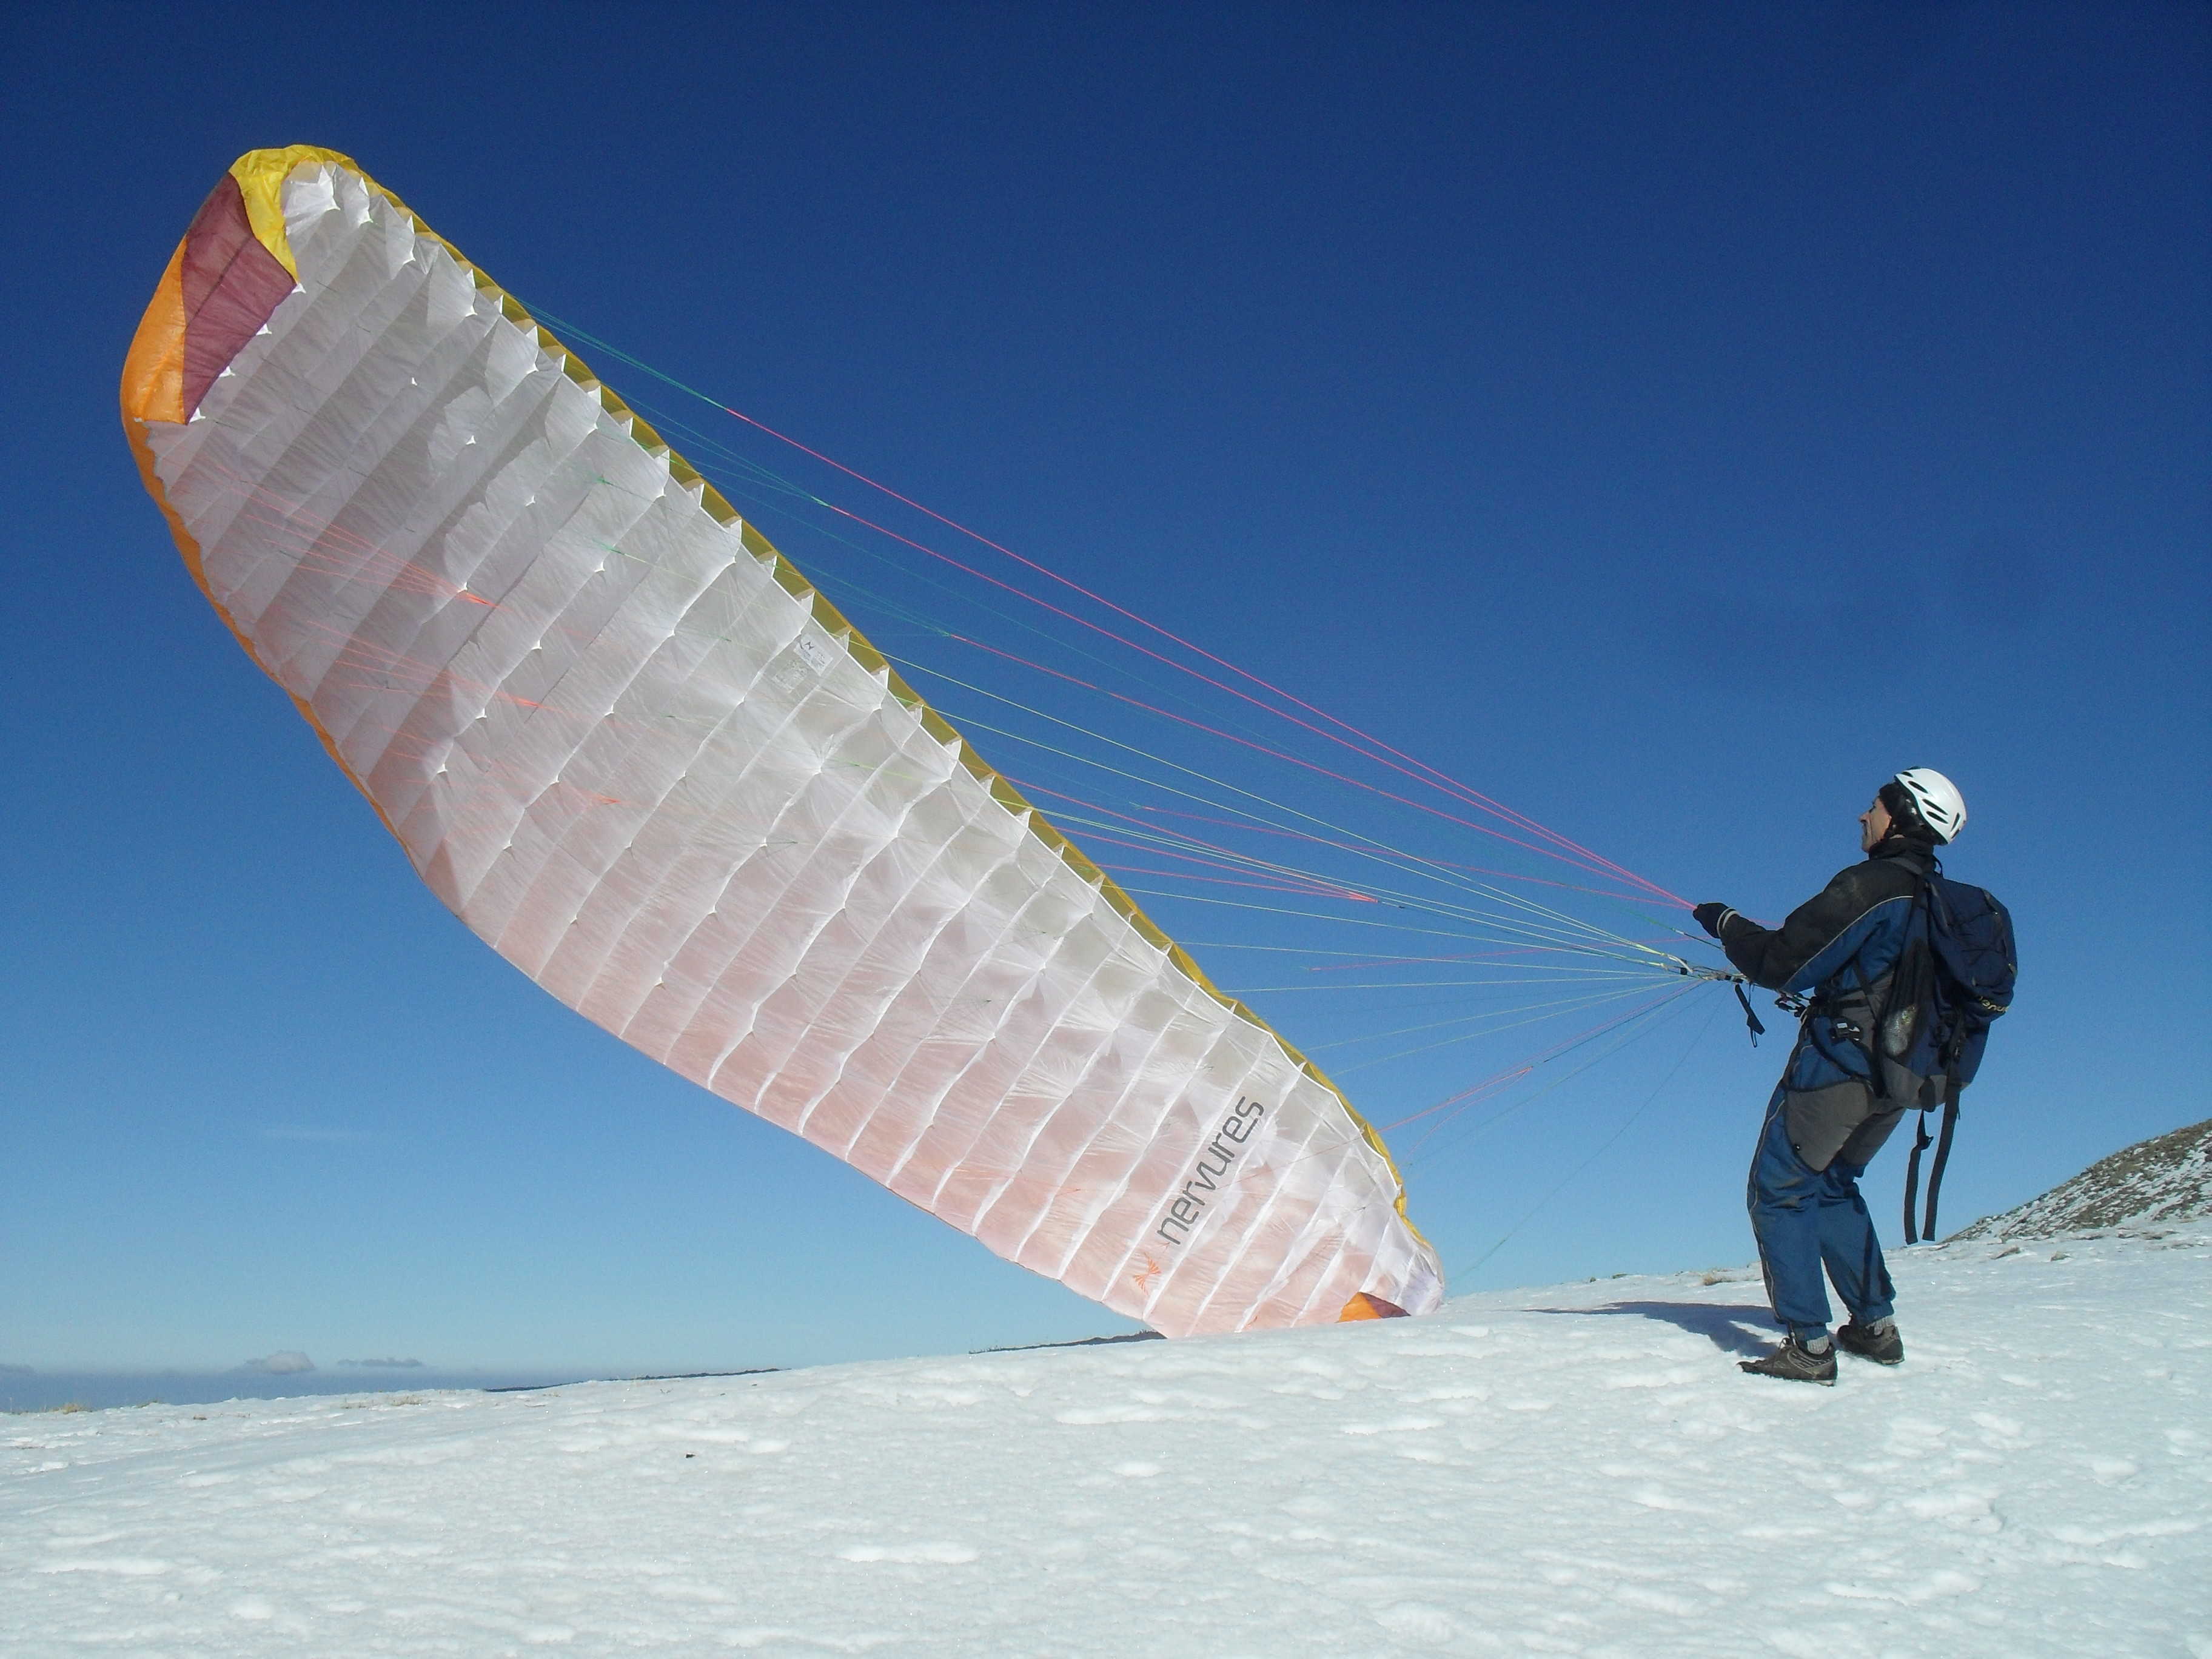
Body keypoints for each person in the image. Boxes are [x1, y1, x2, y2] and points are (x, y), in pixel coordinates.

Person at [1691, 768, 1969, 1386]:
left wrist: (1726, 923)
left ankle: (1809, 1346)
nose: (1863, 816)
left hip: (1840, 1069)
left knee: (1781, 1188)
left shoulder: (1871, 887)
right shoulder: (1948, 904)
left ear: (1902, 817)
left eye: (1874, 806)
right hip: (1908, 1078)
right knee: (1835, 1184)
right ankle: (1875, 1327)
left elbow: (1782, 963)